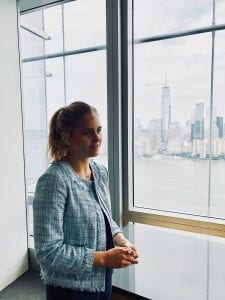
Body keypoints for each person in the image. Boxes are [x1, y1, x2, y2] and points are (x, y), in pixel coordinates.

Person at [33, 101, 139, 300]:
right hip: (69, 289)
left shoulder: (100, 172)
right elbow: (48, 252)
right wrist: (104, 257)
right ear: (67, 137)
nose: (97, 138)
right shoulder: (54, 180)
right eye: (87, 132)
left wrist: (121, 240)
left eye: (99, 130)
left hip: (102, 278)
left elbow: (105, 219)